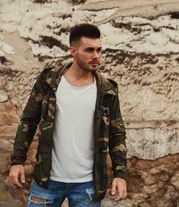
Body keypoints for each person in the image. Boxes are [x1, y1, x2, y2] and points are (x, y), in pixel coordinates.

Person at [9, 23, 128, 207]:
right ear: (73, 51)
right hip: (47, 181)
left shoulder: (107, 90)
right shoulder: (49, 82)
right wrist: (17, 161)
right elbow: (29, 121)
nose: (96, 56)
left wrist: (121, 175)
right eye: (89, 50)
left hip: (87, 185)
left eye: (99, 50)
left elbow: (116, 133)